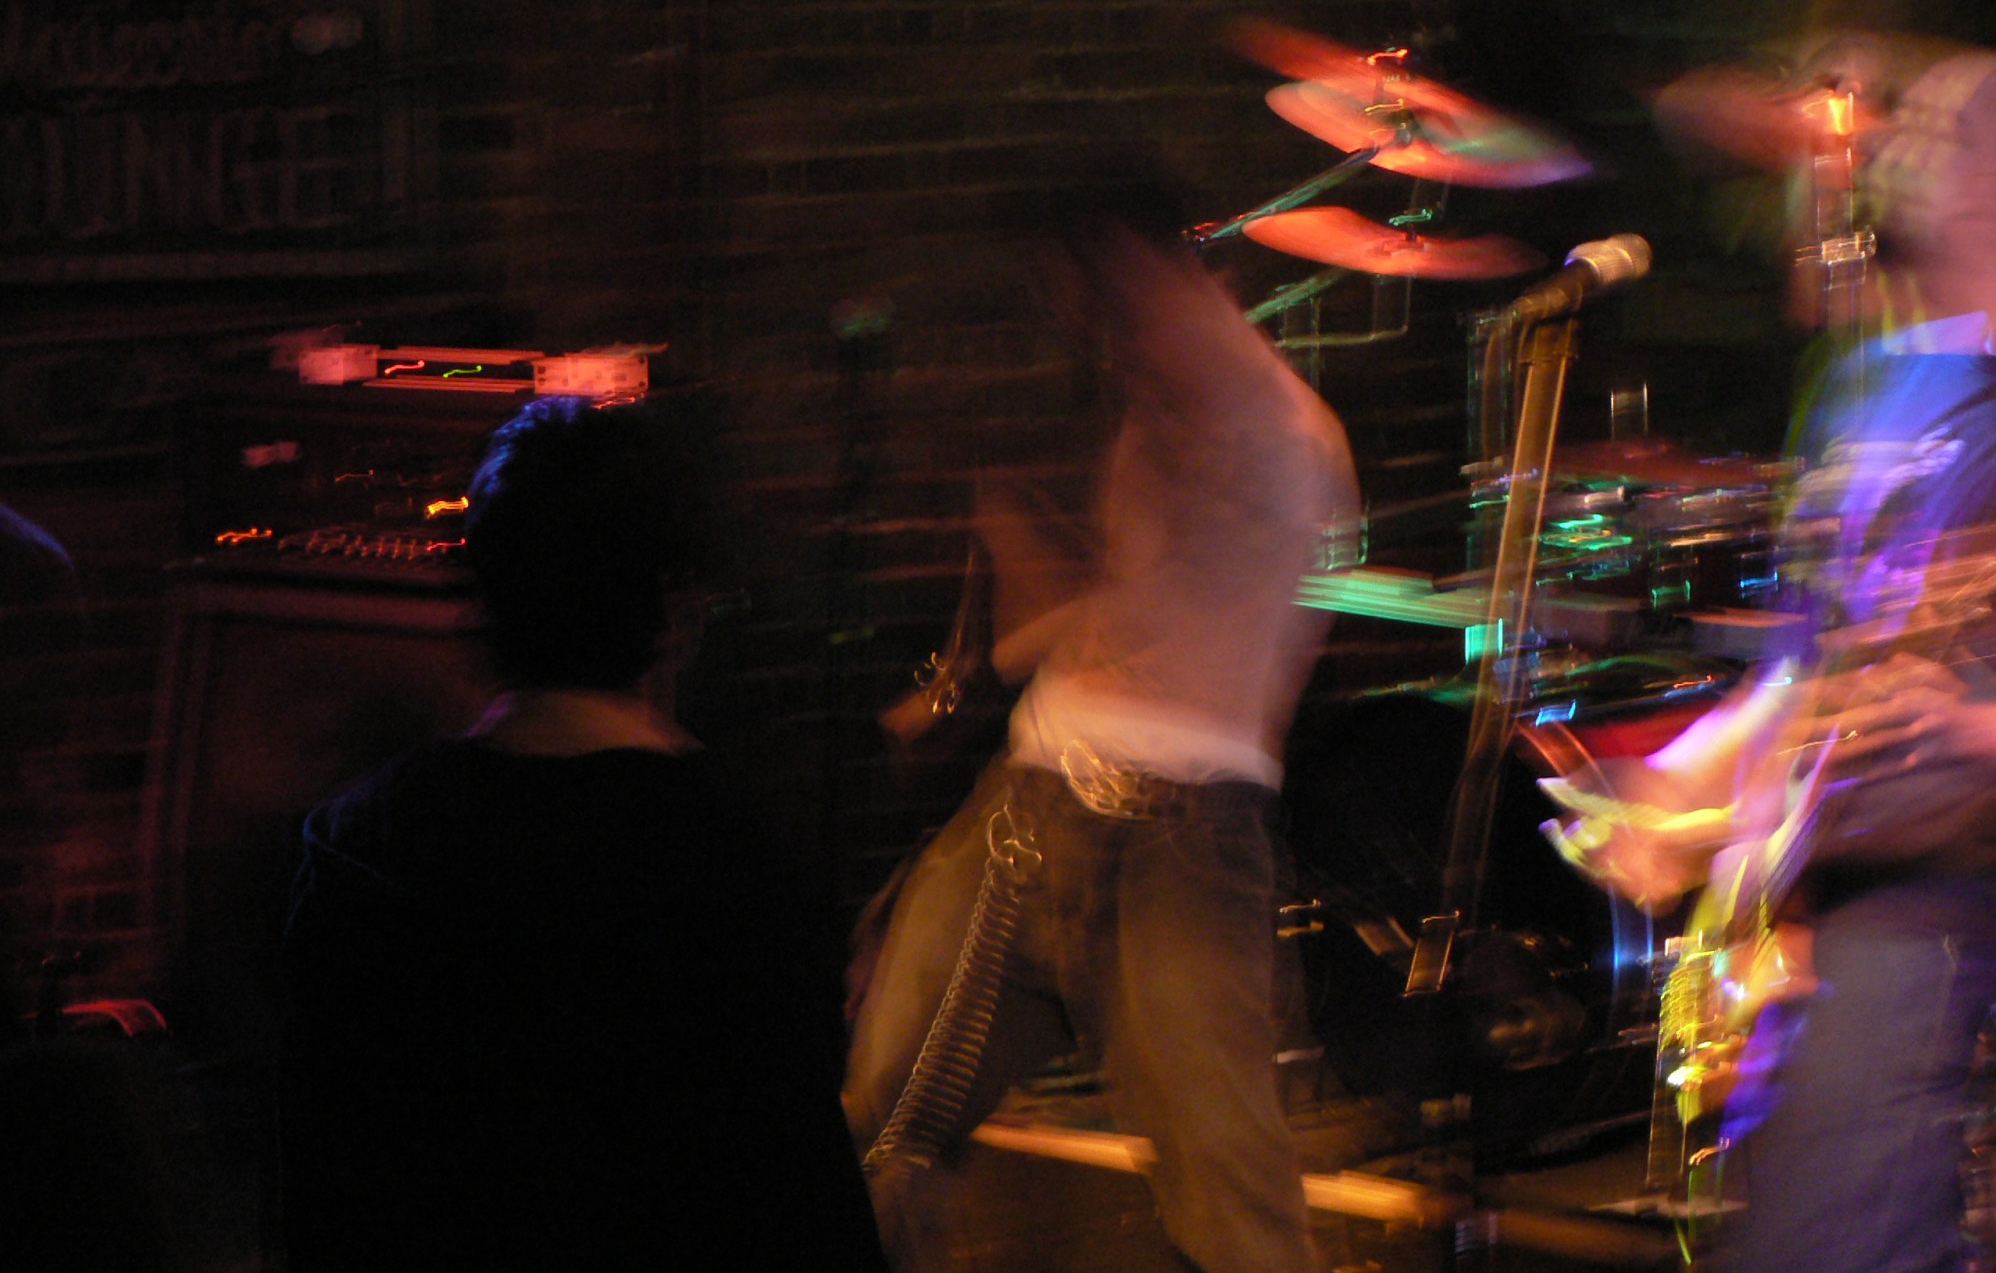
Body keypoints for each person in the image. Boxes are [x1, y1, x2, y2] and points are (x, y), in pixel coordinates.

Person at [844, 154, 1362, 1272]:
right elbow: (1120, 621)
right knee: (883, 1127)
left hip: (1179, 846)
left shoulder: (1269, 428)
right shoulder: (1154, 414)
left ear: (1132, 264)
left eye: (1082, 291)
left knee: (1231, 1206)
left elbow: (1156, 621)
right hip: (1028, 814)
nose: (1079, 326)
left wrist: (1014, 593)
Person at [1546, 44, 1996, 1273]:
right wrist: (1679, 786)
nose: (1906, 146)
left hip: (1942, 914)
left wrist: (1966, 730)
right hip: (1828, 908)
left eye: (1954, 133)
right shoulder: (1872, 387)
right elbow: (1810, 664)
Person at [278, 393, 886, 1271]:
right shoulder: (741, 862)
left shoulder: (359, 848)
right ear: (673, 604)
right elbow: (797, 1197)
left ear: (482, 597)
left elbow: (322, 1188)